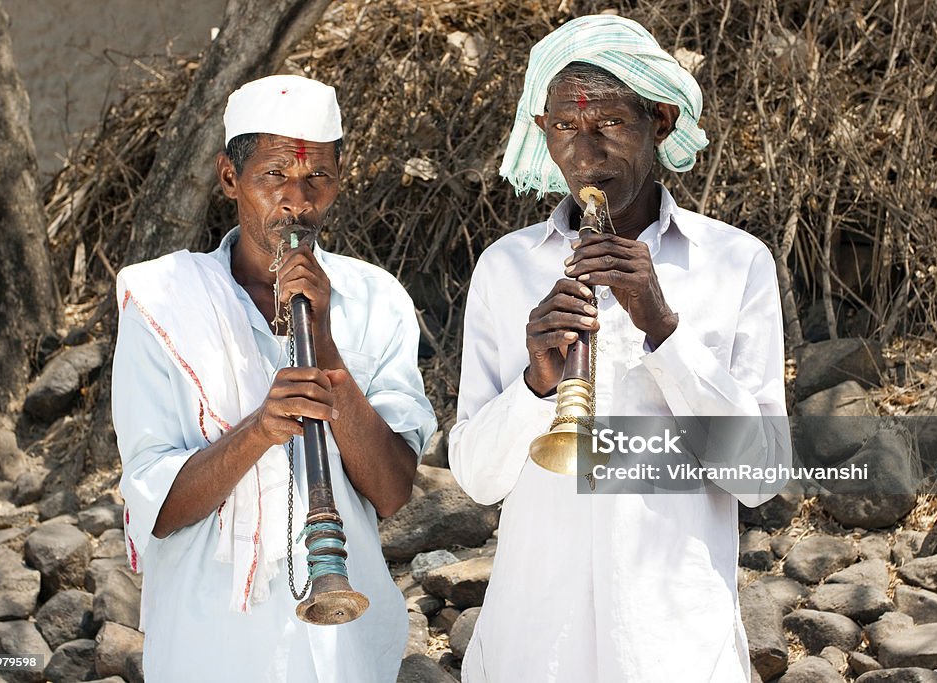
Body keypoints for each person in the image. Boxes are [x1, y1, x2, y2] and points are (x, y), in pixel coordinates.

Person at [449, 15, 791, 683]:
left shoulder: (736, 263)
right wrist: (534, 383)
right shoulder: (504, 267)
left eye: (608, 125)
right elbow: (475, 476)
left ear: (660, 123)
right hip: (533, 648)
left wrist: (662, 324)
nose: (585, 154)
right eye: (565, 129)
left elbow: (761, 477)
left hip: (675, 650)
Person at [112, 74, 436, 682]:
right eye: (273, 177)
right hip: (212, 643)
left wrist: (330, 355)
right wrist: (260, 430)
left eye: (317, 178)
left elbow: (393, 490)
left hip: (346, 645)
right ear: (230, 178)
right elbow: (157, 504)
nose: (297, 201)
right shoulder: (162, 302)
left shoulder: (375, 298)